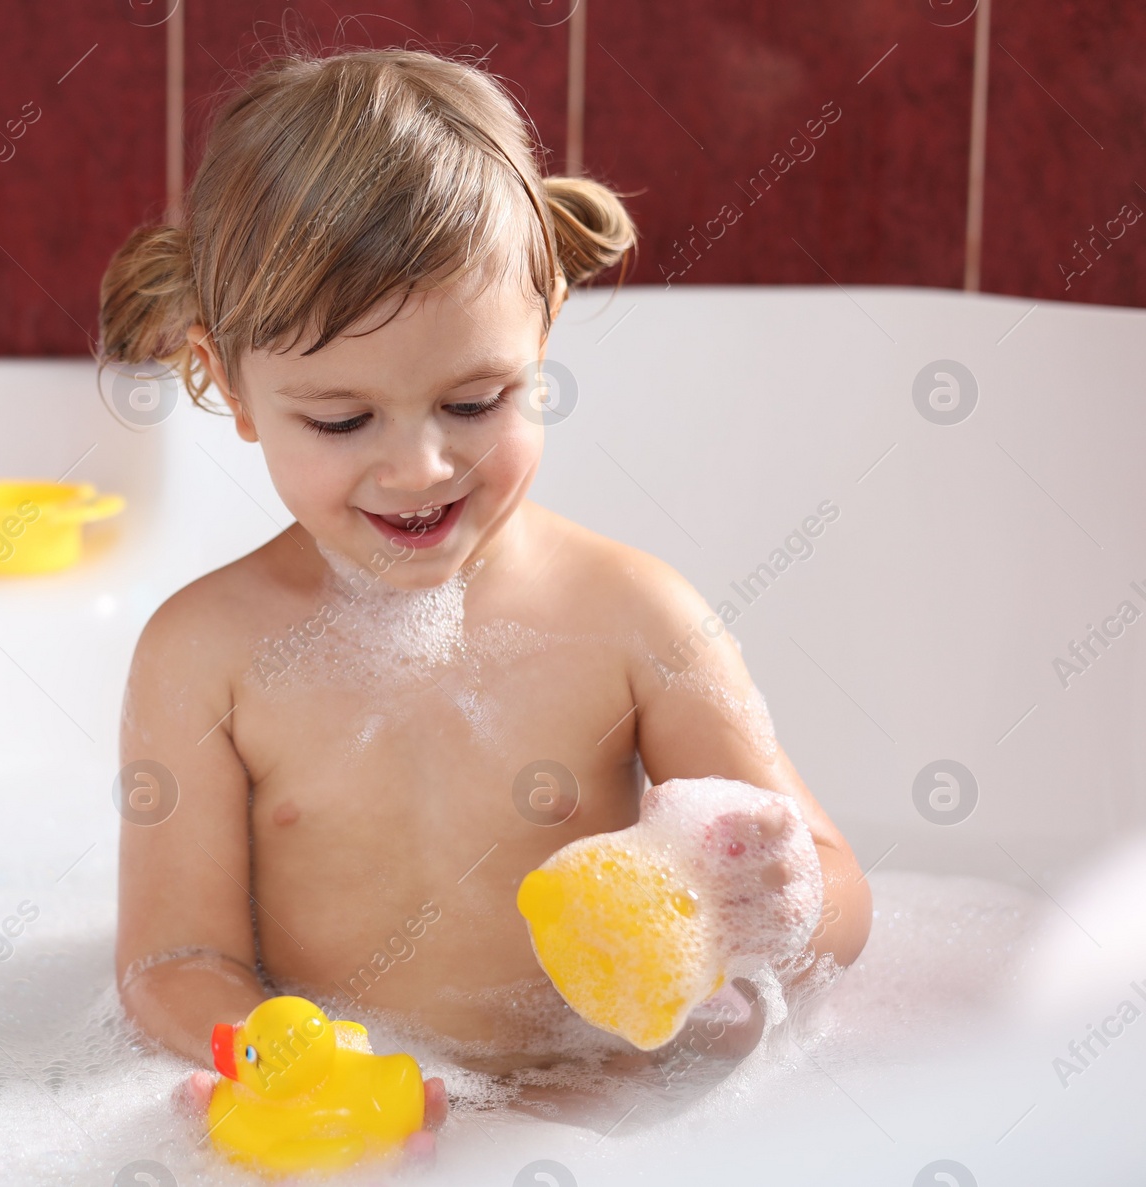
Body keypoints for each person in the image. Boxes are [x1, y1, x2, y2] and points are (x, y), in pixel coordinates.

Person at [98, 45, 871, 1152]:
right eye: (340, 419)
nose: (418, 466)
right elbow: (172, 958)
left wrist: (777, 907)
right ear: (231, 386)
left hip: (606, 1109)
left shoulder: (632, 618)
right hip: (349, 1122)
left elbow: (837, 893)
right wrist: (280, 1052)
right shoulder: (204, 654)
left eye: (475, 399)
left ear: (543, 326)